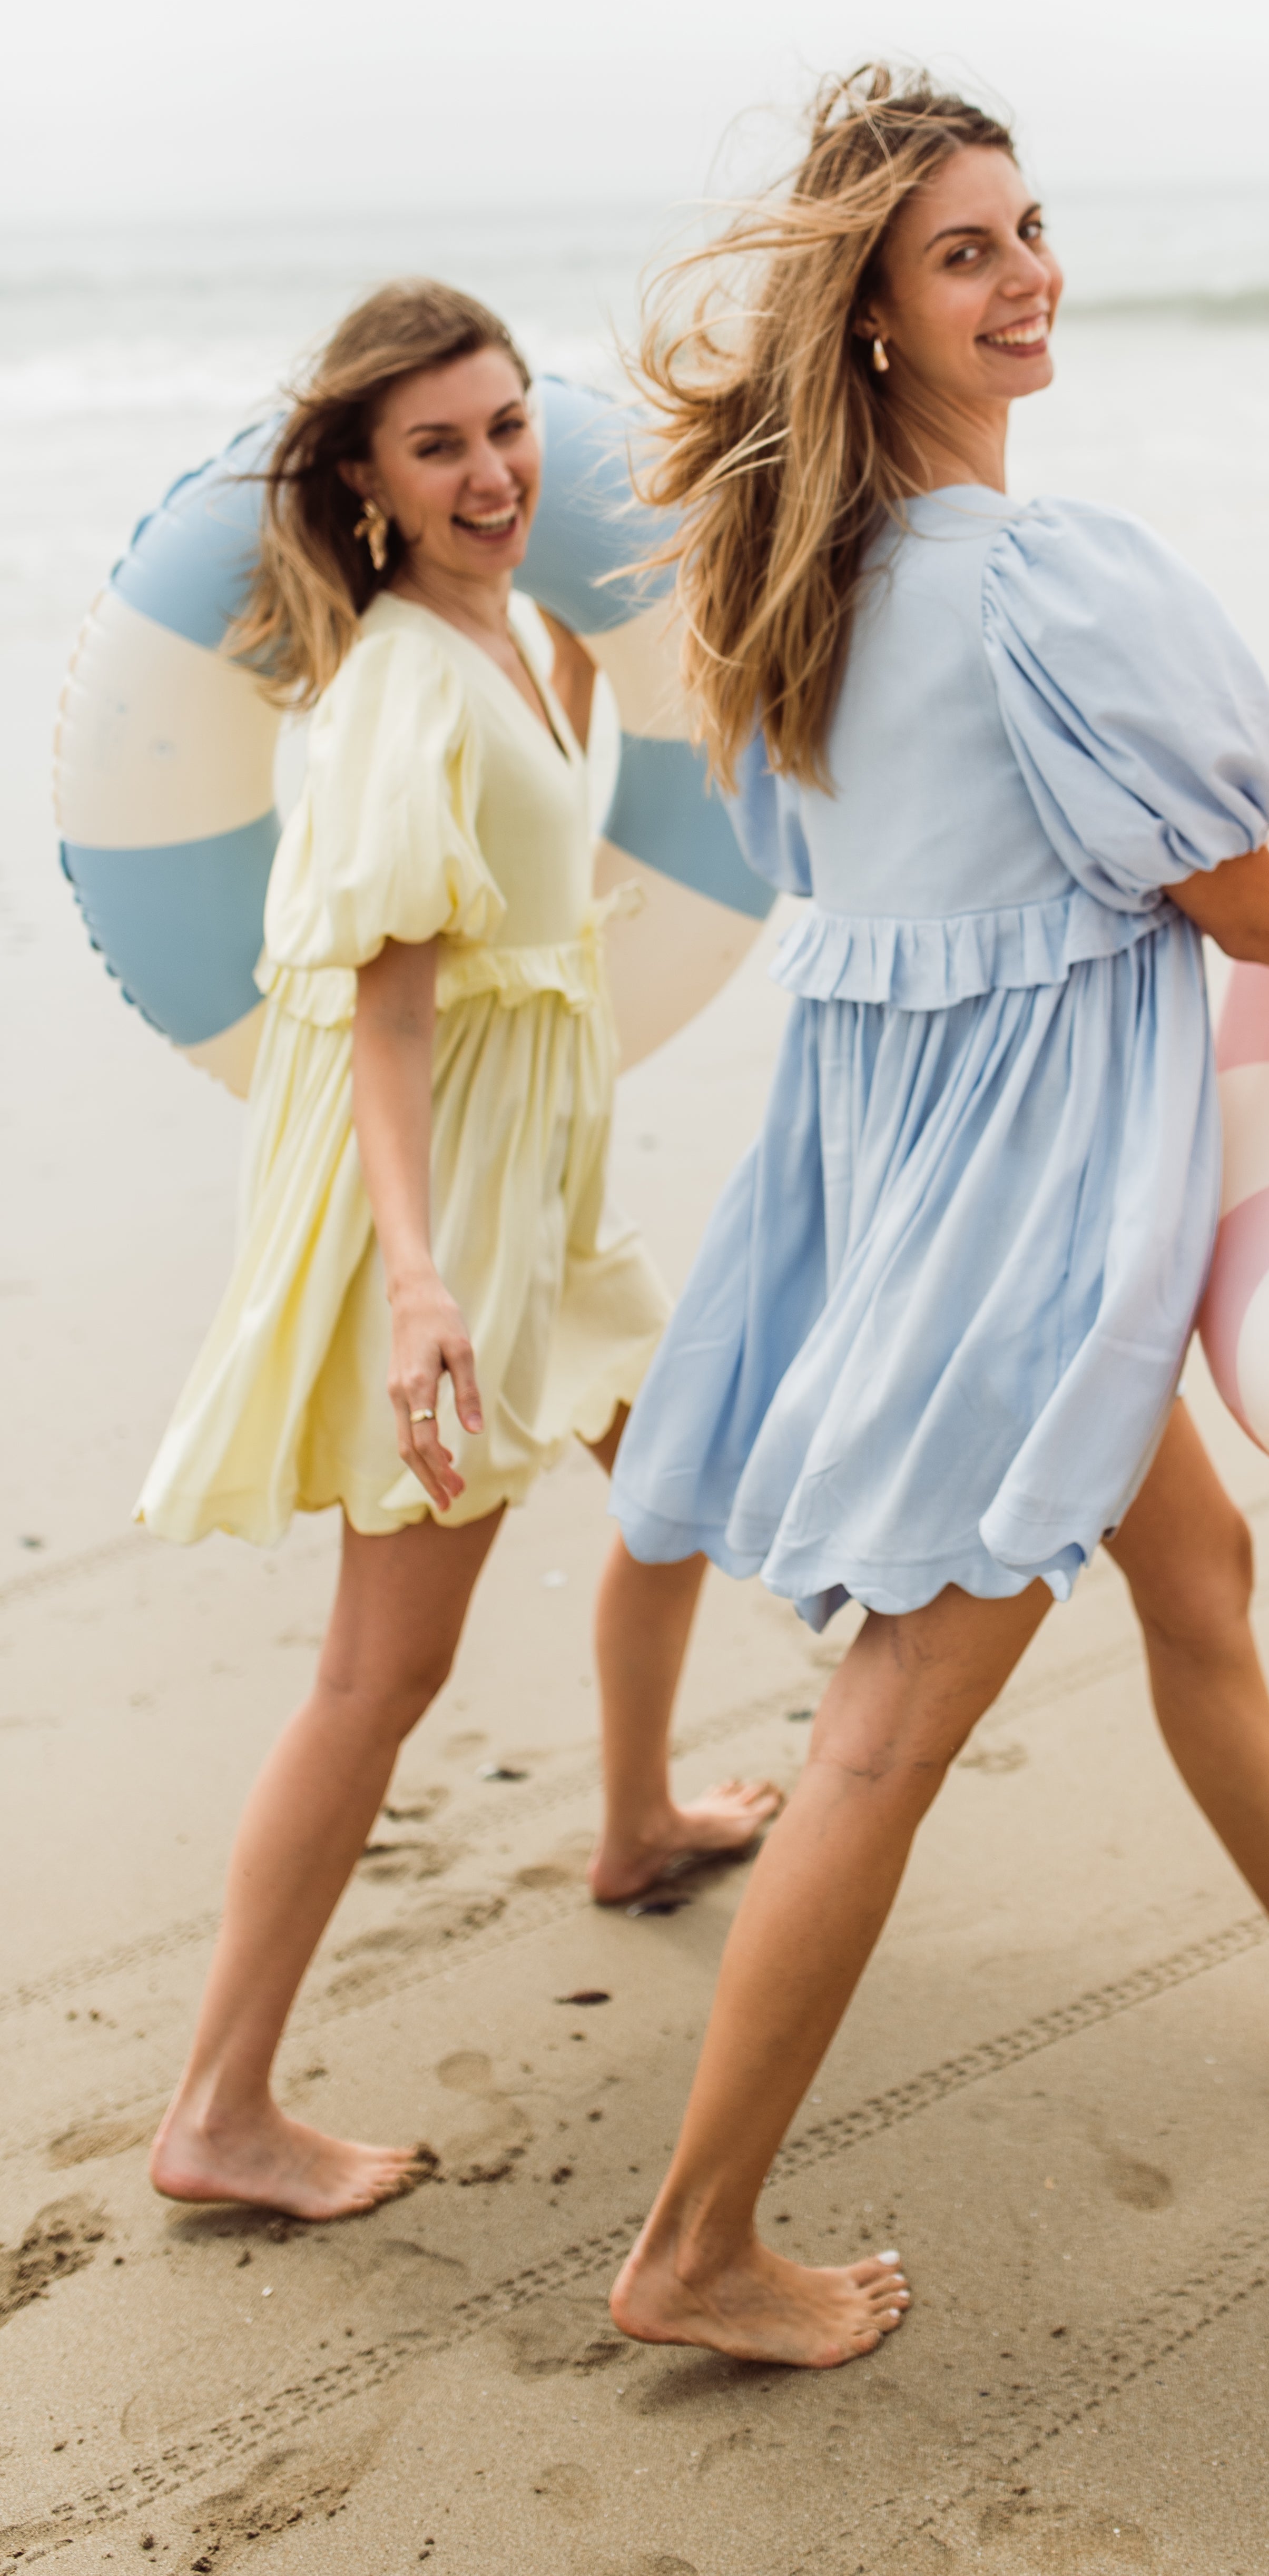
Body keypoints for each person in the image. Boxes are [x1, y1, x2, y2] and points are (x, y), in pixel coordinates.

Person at [603, 70, 1269, 2371]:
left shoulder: (814, 585)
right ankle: (697, 2242)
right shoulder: (1031, 579)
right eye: (963, 255)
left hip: (928, 1187)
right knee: (889, 1729)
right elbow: (1246, 893)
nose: (1023, 281)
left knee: (1192, 1565)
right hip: (1026, 1221)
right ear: (875, 319)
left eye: (1025, 229)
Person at [141, 281, 779, 2224]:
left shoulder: (526, 637)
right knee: (378, 1675)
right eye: (438, 445)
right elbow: (389, 1018)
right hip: (451, 1211)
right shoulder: (398, 691)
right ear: (365, 480)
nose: (492, 470)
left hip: (552, 1198)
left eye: (504, 425)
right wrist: (420, 1285)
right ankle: (220, 2108)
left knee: (671, 1480)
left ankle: (640, 1819)